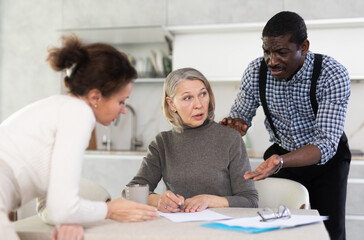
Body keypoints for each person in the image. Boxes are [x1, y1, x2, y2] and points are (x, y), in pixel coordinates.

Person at [0, 34, 159, 240]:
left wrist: (70, 219)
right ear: (95, 97)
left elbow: (55, 207)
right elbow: (62, 209)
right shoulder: (78, 113)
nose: (123, 111)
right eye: (121, 101)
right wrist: (110, 209)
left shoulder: (61, 108)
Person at [220, 11, 351, 240]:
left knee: (328, 231)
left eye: (281, 52)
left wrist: (281, 161)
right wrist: (236, 125)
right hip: (280, 156)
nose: (272, 61)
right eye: (266, 51)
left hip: (327, 161)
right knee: (278, 228)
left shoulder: (331, 74)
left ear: (304, 47)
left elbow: (326, 143)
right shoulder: (256, 71)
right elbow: (241, 114)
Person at [128, 68, 258, 213]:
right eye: (188, 98)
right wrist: (158, 200)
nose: (199, 104)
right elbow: (131, 192)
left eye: (203, 94)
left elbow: (250, 200)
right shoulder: (162, 143)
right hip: (178, 229)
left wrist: (210, 200)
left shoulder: (231, 139)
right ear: (171, 104)